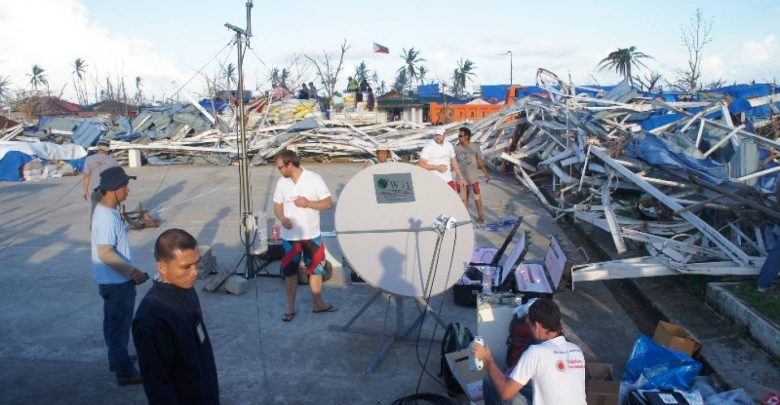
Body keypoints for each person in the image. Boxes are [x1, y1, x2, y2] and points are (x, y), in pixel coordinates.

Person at [133, 229, 219, 404]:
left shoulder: (186, 289)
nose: (194, 272)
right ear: (162, 267)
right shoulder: (151, 317)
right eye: (186, 267)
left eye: (196, 264)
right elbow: (157, 384)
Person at [91, 166, 149, 386]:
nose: (128, 191)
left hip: (112, 281)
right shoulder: (106, 217)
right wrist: (133, 273)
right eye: (125, 186)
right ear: (115, 189)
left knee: (113, 326)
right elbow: (105, 252)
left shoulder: (107, 210)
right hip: (117, 283)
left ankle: (119, 358)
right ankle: (125, 371)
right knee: (119, 328)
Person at [472, 299, 586, 405]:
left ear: (536, 326)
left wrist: (489, 360)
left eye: (529, 324)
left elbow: (505, 393)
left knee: (490, 382)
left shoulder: (536, 352)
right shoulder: (576, 350)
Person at [273, 150, 336, 322]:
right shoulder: (281, 183)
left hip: (311, 236)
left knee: (316, 271)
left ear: (290, 165)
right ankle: (290, 308)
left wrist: (308, 203)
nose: (279, 170)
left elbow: (328, 203)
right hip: (289, 238)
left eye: (280, 167)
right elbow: (277, 205)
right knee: (290, 273)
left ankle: (318, 304)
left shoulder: (314, 179)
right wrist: (282, 217)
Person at [455, 127, 490, 224]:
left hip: (473, 178)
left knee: (477, 198)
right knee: (463, 199)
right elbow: (453, 162)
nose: (459, 137)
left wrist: (485, 172)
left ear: (467, 136)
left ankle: (480, 216)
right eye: (459, 135)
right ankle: (466, 219)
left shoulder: (475, 147)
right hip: (461, 178)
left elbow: (479, 161)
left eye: (460, 135)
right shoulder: (456, 148)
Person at [417, 127, 468, 192]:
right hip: (434, 181)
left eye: (440, 135)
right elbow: (420, 164)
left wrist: (461, 177)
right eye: (436, 135)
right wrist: (437, 167)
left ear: (444, 135)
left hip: (448, 179)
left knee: (451, 199)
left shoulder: (449, 145)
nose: (437, 137)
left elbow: (454, 162)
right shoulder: (429, 146)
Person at [83, 140, 119, 227]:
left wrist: (85, 190)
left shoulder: (89, 159)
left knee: (95, 212)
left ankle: (94, 230)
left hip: (96, 191)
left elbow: (86, 176)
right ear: (107, 149)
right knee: (111, 212)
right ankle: (111, 229)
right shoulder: (112, 160)